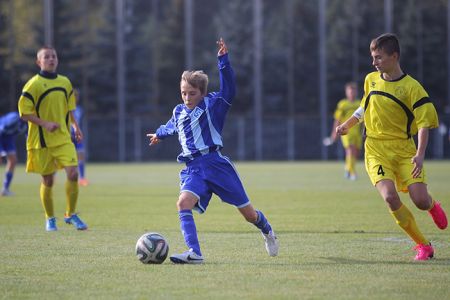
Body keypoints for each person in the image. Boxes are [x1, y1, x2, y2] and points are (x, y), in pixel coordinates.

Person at [146, 38, 279, 264]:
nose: (187, 97)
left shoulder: (213, 105)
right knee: (183, 203)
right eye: (183, 93)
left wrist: (223, 62)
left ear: (202, 92)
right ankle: (194, 253)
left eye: (192, 93)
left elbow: (230, 89)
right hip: (193, 169)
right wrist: (159, 134)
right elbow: (171, 127)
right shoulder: (178, 111)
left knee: (249, 215)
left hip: (216, 165)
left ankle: (267, 230)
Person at [336, 33, 448, 261]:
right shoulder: (371, 80)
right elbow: (364, 107)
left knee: (419, 200)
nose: (374, 62)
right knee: (390, 197)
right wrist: (347, 125)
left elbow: (425, 123)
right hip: (376, 149)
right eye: (372, 57)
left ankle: (432, 204)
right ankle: (423, 246)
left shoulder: (412, 87)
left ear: (394, 56)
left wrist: (419, 155)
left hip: (405, 151)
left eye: (378, 57)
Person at [18, 46, 88, 231]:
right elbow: (24, 113)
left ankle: (70, 214)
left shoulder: (65, 82)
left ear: (57, 60)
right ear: (38, 62)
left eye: (54, 56)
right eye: (46, 57)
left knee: (73, 173)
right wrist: (45, 123)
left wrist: (76, 126)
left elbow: (69, 108)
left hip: (64, 138)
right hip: (41, 141)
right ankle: (50, 218)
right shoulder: (33, 84)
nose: (51, 59)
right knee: (48, 180)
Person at [329, 82, 362, 180]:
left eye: (353, 91)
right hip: (346, 132)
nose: (352, 93)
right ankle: (352, 173)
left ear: (356, 92)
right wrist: (334, 133)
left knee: (356, 153)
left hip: (357, 132)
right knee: (350, 150)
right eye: (350, 91)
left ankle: (348, 168)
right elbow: (337, 119)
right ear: (346, 92)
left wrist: (365, 131)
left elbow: (364, 118)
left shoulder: (359, 103)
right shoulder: (342, 104)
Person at [0, 111, 27, 196]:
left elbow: (29, 137)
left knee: (13, 160)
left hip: (9, 139)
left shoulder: (27, 124)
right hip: (1, 136)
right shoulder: (14, 118)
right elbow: (1, 128)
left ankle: (5, 189)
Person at [71, 88, 88, 186]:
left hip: (77, 136)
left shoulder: (79, 110)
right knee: (60, 158)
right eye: (74, 96)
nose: (76, 98)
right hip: (67, 136)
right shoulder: (65, 109)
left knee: (81, 155)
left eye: (77, 96)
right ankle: (53, 175)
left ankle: (81, 178)